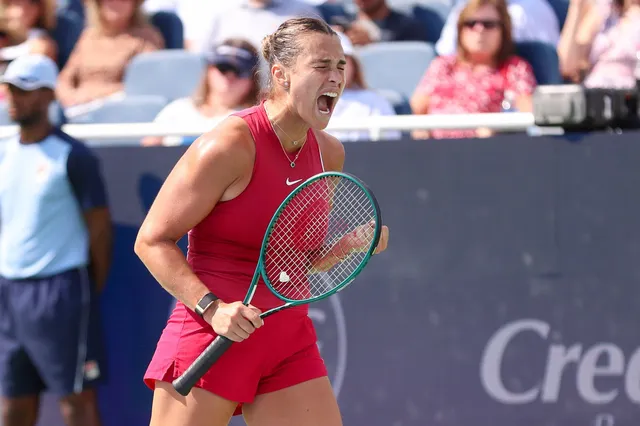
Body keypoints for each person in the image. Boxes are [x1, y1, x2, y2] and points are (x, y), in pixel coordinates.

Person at [135, 17, 389, 426]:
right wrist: (212, 309)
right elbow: (151, 241)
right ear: (281, 75)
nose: (335, 77)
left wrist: (349, 245)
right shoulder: (229, 144)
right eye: (321, 66)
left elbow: (301, 259)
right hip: (211, 334)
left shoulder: (330, 153)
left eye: (341, 66)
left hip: (288, 342)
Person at [0, 54, 111, 426]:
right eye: (10, 89)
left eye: (25, 90)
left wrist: (83, 290)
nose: (14, 97)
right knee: (13, 404)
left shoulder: (74, 156)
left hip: (62, 291)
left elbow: (99, 228)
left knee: (76, 401)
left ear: (49, 95)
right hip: (8, 294)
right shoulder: (3, 152)